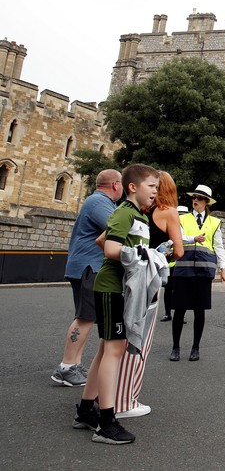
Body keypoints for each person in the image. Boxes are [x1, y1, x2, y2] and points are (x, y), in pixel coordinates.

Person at [73, 163, 159, 445]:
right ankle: (106, 423)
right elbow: (109, 248)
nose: (156, 193)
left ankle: (86, 410)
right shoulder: (124, 212)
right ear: (132, 187)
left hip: (121, 288)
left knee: (106, 348)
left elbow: (103, 239)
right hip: (111, 288)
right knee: (114, 350)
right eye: (152, 187)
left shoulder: (137, 216)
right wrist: (141, 256)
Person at [109, 171, 189, 420]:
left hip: (125, 277)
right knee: (139, 339)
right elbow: (179, 251)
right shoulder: (169, 212)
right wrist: (158, 256)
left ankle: (109, 396)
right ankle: (124, 400)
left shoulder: (138, 211)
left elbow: (104, 240)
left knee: (118, 340)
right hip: (148, 280)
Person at [52, 169, 121, 387]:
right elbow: (116, 229)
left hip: (87, 266)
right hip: (89, 267)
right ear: (115, 185)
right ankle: (66, 367)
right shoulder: (99, 202)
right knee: (85, 316)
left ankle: (74, 364)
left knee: (87, 316)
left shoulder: (97, 201)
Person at [171, 184, 225, 362]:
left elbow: (219, 247)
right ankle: (175, 347)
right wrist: (193, 239)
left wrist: (224, 270)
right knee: (179, 310)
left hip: (204, 271)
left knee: (199, 310)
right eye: (194, 197)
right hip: (183, 269)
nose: (195, 200)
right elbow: (177, 237)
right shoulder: (182, 219)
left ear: (206, 202)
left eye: (199, 198)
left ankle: (195, 347)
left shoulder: (214, 222)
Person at [160, 205, 188, 322]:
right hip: (171, 263)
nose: (180, 217)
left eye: (183, 214)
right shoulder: (169, 226)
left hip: (183, 263)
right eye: (179, 214)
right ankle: (167, 313)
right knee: (168, 289)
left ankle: (179, 315)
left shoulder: (187, 227)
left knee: (181, 290)